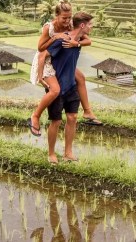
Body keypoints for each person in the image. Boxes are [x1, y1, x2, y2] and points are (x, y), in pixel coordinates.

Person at [27, 0, 100, 137]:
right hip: (47, 59)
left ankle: (87, 111)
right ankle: (35, 116)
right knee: (55, 90)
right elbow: (41, 49)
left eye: (69, 17)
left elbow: (88, 40)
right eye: (64, 18)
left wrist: (75, 44)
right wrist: (54, 38)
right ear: (57, 16)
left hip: (58, 58)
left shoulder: (71, 25)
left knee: (81, 78)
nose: (67, 21)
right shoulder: (49, 27)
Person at [45, 11, 93, 164]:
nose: (92, 27)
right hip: (57, 86)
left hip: (72, 85)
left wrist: (77, 43)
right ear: (83, 25)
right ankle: (51, 153)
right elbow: (43, 55)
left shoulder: (79, 40)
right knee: (56, 121)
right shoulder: (62, 39)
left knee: (72, 118)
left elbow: (88, 41)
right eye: (90, 25)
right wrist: (41, 77)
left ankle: (68, 153)